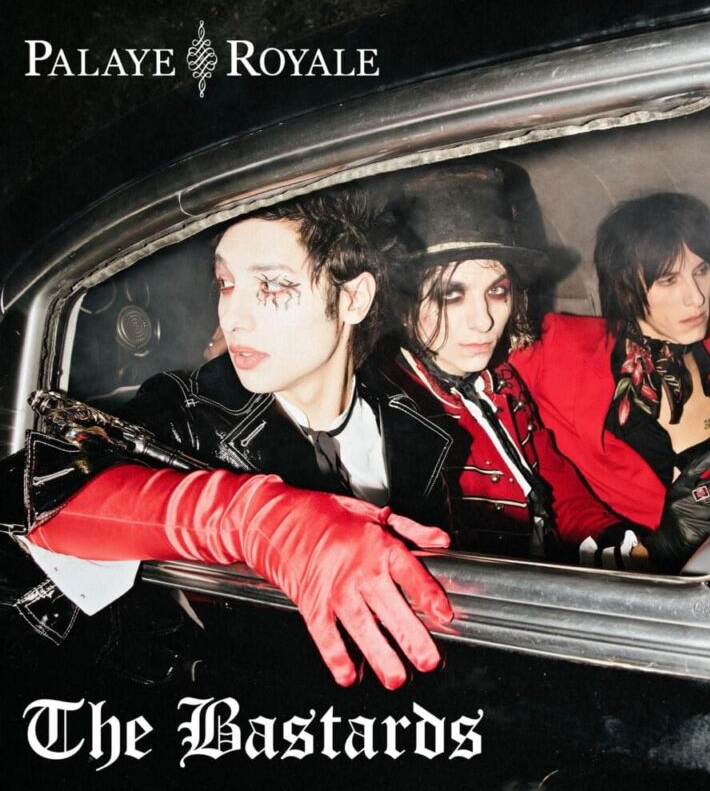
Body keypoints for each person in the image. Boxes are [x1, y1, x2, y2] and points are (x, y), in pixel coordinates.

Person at [7, 185, 454, 690]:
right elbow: (36, 500)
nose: (233, 318)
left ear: (352, 299)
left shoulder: (417, 428)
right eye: (226, 284)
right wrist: (251, 517)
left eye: (273, 286)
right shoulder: (191, 409)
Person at [381, 159, 636, 559]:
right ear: (403, 306)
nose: (483, 320)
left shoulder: (500, 380)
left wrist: (614, 541)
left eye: (497, 291)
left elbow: (552, 479)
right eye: (451, 295)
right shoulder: (391, 415)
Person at [511, 192, 710, 571]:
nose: (697, 297)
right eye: (668, 279)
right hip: (632, 577)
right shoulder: (559, 350)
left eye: (701, 270)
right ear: (623, 286)